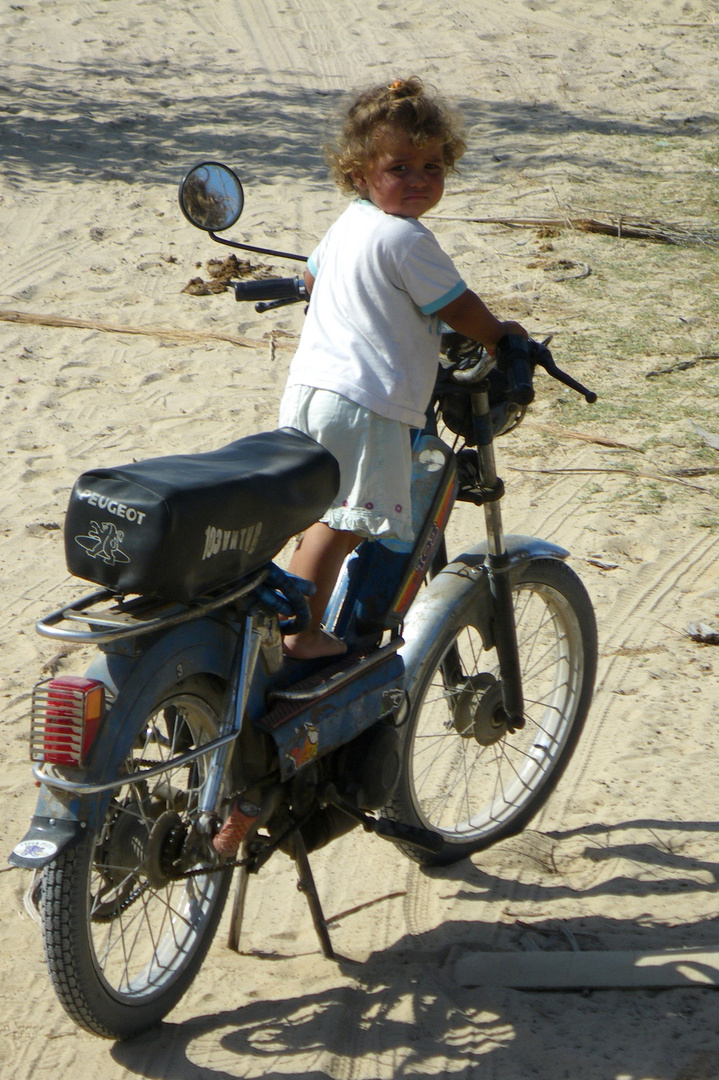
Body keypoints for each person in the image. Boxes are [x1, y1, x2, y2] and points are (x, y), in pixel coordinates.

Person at [279, 76, 527, 660]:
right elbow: (457, 307)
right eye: (401, 168)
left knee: (323, 512)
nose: (419, 181)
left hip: (312, 391)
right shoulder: (408, 240)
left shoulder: (350, 222)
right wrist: (502, 337)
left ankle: (292, 626)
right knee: (340, 525)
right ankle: (300, 635)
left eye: (433, 168)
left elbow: (312, 279)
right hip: (367, 401)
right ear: (360, 171)